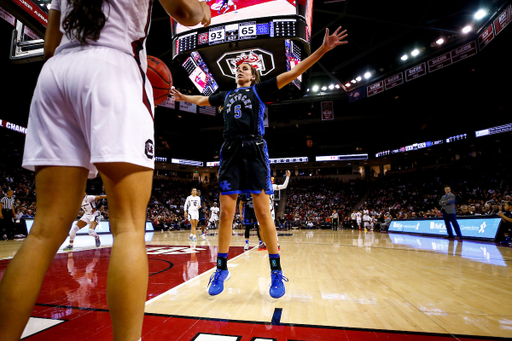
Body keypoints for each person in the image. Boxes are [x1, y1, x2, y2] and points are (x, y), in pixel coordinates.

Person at [0, 1, 210, 340]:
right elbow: (186, 11)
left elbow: (50, 45)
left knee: (42, 231)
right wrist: (204, 11)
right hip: (114, 70)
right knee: (127, 227)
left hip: (56, 74)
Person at [171, 26, 348, 299]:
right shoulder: (226, 96)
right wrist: (183, 98)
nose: (239, 70)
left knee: (264, 214)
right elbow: (203, 99)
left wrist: (323, 49)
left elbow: (293, 73)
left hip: (254, 151)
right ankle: (221, 268)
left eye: (245, 68)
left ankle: (276, 271)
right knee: (226, 214)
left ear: (253, 76)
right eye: (237, 68)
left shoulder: (259, 90)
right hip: (229, 152)